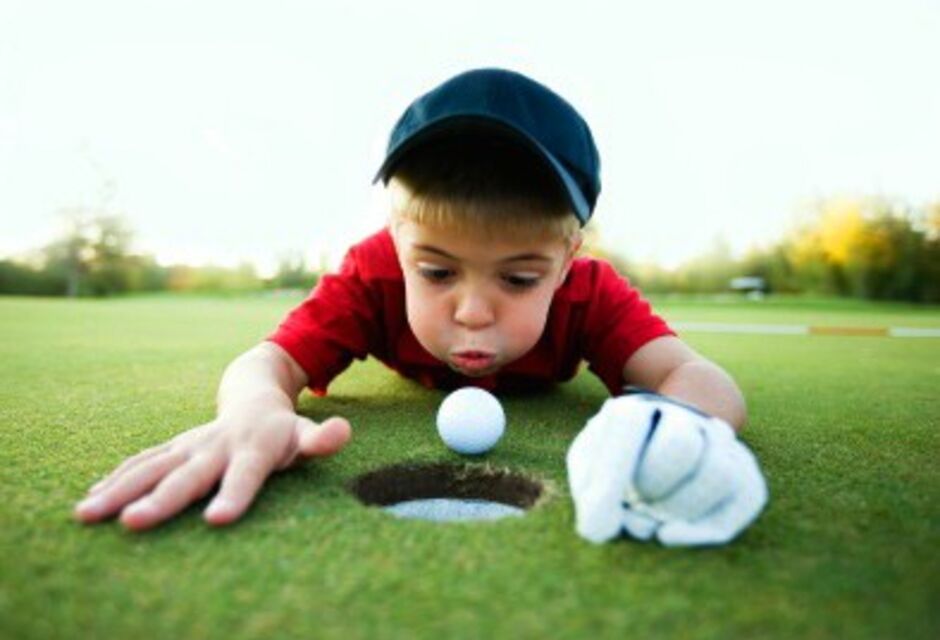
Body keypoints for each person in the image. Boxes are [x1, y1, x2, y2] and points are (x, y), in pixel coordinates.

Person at [73, 68, 763, 543]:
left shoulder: (591, 292)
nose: (471, 312)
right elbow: (269, 363)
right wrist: (254, 411)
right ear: (398, 240)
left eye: (519, 280)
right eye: (435, 271)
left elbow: (703, 381)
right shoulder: (369, 275)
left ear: (568, 256)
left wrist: (675, 431)